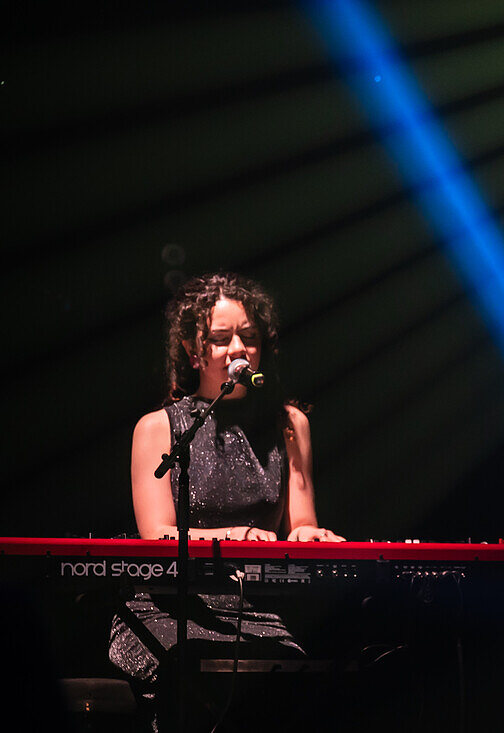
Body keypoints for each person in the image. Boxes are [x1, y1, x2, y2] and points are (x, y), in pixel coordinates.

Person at [108, 272, 344, 728]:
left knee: (292, 682)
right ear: (194, 351)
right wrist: (235, 536)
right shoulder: (158, 428)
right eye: (220, 339)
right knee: (194, 679)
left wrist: (310, 533)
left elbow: (300, 523)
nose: (238, 348)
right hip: (166, 608)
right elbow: (157, 535)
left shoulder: (289, 424)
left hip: (250, 610)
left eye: (249, 337)